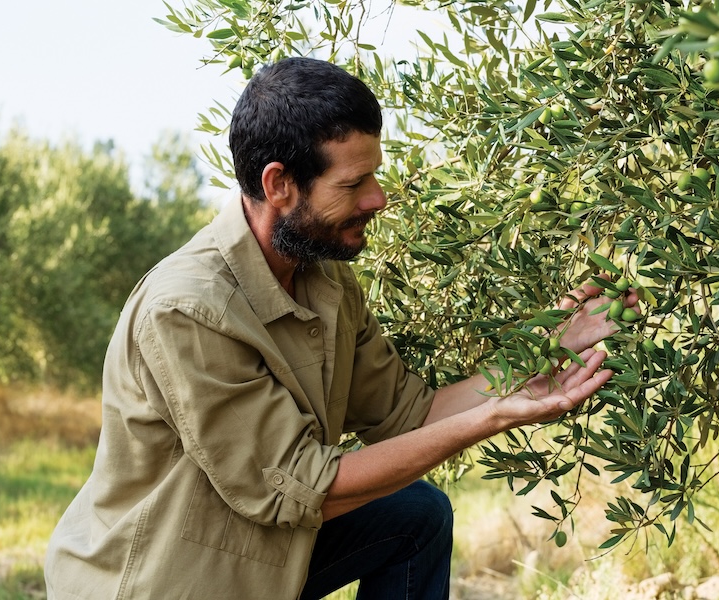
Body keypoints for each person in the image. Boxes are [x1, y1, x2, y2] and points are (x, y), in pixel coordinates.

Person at [44, 57, 639, 600]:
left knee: (417, 514)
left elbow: (411, 416)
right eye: (352, 185)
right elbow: (304, 490)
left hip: (259, 555)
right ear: (279, 185)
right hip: (162, 582)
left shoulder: (324, 281)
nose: (377, 199)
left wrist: (546, 349)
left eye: (373, 177)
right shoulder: (189, 309)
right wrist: (494, 416)